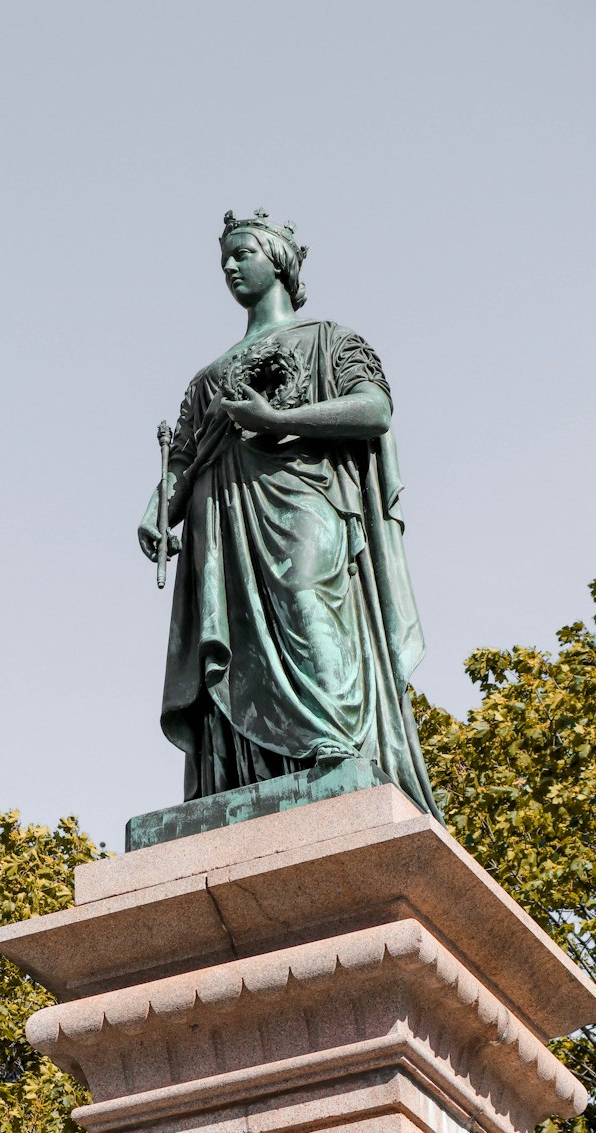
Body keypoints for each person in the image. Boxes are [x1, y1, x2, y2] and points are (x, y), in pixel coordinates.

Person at [138, 209, 440, 818]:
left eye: (241, 252)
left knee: (309, 598)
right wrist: (155, 510)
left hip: (304, 498)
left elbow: (373, 410)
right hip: (221, 519)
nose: (229, 266)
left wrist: (279, 422)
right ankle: (239, 780)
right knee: (231, 639)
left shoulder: (331, 339)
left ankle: (337, 749)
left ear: (276, 259)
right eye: (223, 257)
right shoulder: (206, 379)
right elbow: (182, 458)